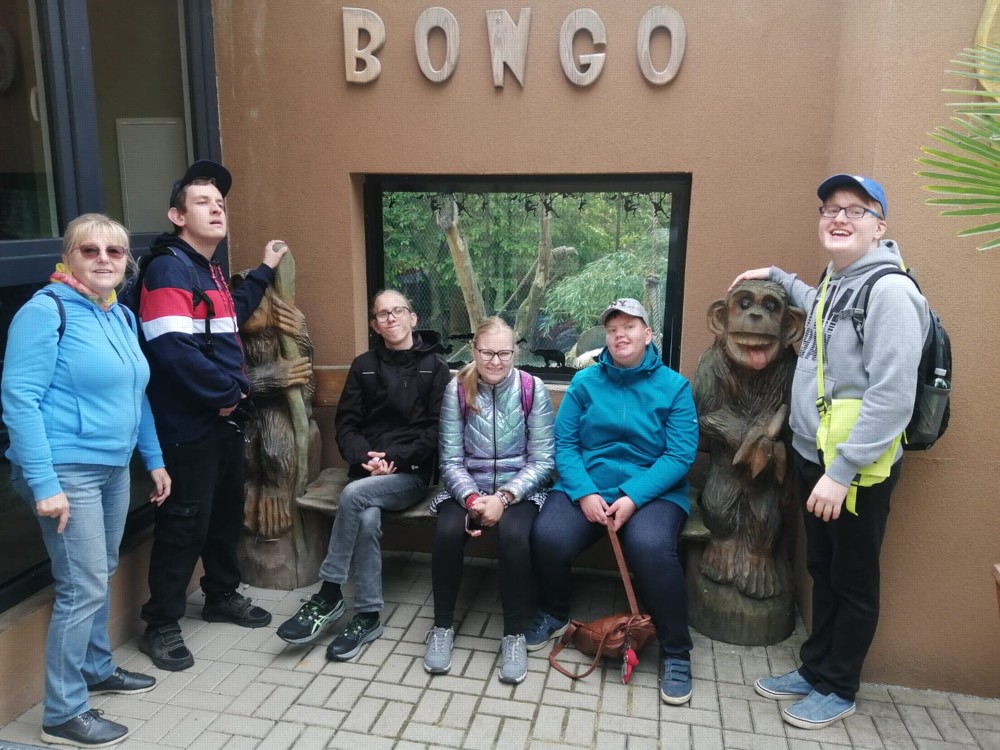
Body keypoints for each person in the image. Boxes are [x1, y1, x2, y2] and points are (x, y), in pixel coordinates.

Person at [734, 175, 929, 730]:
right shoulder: (837, 281)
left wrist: (841, 472)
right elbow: (815, 304)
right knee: (822, 569)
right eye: (830, 209)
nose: (839, 218)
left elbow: (892, 397)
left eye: (855, 210)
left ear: (880, 225)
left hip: (854, 471)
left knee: (853, 578)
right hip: (814, 458)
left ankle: (839, 685)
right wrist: (776, 276)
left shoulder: (890, 293)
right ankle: (815, 667)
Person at [2, 214, 171, 747]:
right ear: (68, 257)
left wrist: (154, 458)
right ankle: (63, 713)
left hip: (113, 467)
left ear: (126, 262)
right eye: (89, 250)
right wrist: (44, 483)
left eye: (114, 251)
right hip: (65, 470)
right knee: (83, 585)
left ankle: (96, 667)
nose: (103, 259)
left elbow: (137, 393)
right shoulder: (44, 311)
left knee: (101, 569)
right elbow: (20, 400)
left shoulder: (118, 314)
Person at [138, 160, 289, 671]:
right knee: (184, 523)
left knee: (224, 515)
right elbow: (171, 348)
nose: (216, 208)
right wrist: (227, 393)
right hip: (189, 426)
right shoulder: (168, 268)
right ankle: (160, 624)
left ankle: (221, 595)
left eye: (220, 202)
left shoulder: (208, 271)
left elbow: (232, 314)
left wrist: (264, 270)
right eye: (203, 202)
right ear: (177, 216)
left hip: (224, 420)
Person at [526, 298, 699, 704]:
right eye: (613, 329)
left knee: (650, 546)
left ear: (648, 334)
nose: (620, 335)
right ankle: (554, 612)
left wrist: (633, 497)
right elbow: (565, 444)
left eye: (630, 327)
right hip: (588, 485)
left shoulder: (674, 387)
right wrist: (584, 491)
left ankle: (676, 650)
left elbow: (679, 455)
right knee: (548, 535)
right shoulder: (585, 383)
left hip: (653, 491)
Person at [276, 289, 450, 660]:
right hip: (366, 471)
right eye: (383, 314)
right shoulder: (364, 366)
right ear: (375, 325)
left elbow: (437, 429)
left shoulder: (434, 367)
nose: (391, 318)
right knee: (366, 517)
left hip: (410, 476)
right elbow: (347, 424)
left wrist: (396, 461)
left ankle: (329, 592)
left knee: (353, 497)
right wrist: (365, 459)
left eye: (398, 311)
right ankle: (368, 616)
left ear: (413, 318)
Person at [423, 317, 555, 684]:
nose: (495, 361)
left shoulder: (531, 388)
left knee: (514, 536)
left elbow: (543, 460)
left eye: (504, 353)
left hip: (520, 488)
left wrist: (504, 497)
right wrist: (471, 498)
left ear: (515, 352)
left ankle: (514, 633)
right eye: (487, 353)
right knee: (447, 532)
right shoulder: (457, 390)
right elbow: (450, 459)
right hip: (467, 486)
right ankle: (442, 626)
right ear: (474, 350)